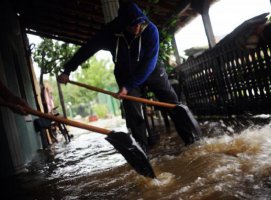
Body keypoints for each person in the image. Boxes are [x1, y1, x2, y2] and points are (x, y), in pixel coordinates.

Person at [57, 1, 196, 152]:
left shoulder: (150, 30)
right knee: (132, 112)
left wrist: (128, 86)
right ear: (122, 24)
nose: (137, 28)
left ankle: (192, 140)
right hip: (126, 74)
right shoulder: (110, 32)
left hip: (151, 69)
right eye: (132, 25)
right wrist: (67, 70)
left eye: (139, 24)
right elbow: (88, 49)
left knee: (172, 103)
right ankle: (141, 150)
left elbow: (149, 64)